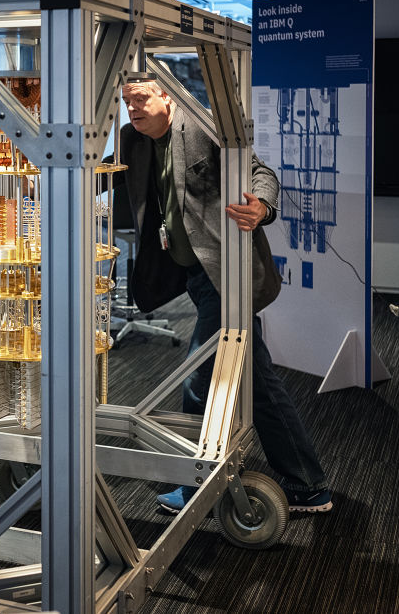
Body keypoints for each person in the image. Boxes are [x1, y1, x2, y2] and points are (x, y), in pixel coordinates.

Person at [114, 73, 331, 514]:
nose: (132, 109)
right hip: (191, 273)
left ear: (167, 97)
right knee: (257, 379)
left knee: (200, 377)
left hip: (225, 272)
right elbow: (103, 171)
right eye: (126, 101)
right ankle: (308, 486)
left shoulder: (202, 126)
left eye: (140, 100)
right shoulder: (130, 138)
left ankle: (197, 486)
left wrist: (262, 207)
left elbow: (260, 172)